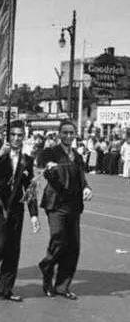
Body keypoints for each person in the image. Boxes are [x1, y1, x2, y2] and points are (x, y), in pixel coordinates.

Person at [0, 120, 40, 302]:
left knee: (13, 250)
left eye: (20, 135)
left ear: (24, 137)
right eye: (13, 135)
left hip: (15, 208)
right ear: (8, 135)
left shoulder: (26, 160)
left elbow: (29, 189)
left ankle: (5, 290)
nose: (16, 138)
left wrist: (34, 215)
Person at [39, 120, 93, 300]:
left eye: (71, 133)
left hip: (73, 205)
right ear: (59, 134)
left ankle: (62, 286)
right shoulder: (51, 152)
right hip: (56, 203)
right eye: (65, 132)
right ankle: (47, 267)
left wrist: (86, 188)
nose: (68, 136)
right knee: (59, 239)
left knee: (73, 246)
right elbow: (42, 162)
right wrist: (49, 166)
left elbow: (81, 177)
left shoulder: (77, 156)